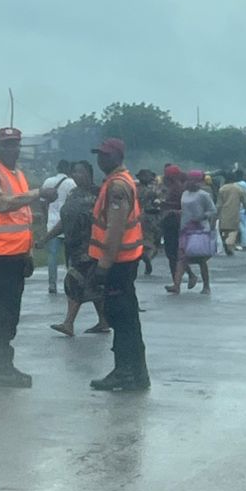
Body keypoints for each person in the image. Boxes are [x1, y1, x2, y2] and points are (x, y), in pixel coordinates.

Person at [0, 128, 41, 388]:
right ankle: (1, 368)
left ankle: (6, 364)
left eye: (14, 145)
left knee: (12, 314)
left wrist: (29, 252)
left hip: (16, 255)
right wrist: (38, 194)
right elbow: (1, 205)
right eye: (6, 145)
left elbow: (23, 217)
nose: (10, 149)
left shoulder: (18, 175)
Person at [87, 138, 150, 391]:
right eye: (99, 154)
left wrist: (103, 265)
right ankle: (137, 373)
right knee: (129, 319)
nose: (100, 159)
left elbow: (114, 229)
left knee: (121, 319)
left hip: (118, 263)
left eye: (106, 155)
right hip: (126, 260)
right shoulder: (121, 180)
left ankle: (125, 372)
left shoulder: (117, 187)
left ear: (117, 157)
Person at [42, 160, 110, 337]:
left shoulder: (99, 194)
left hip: (92, 249)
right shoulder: (73, 194)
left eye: (80, 171)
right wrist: (45, 238)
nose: (76, 175)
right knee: (93, 285)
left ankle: (68, 323)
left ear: (89, 173)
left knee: (74, 282)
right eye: (74, 172)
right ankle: (103, 321)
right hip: (73, 247)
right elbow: (64, 221)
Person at [167, 170, 217, 295]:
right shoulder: (184, 194)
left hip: (199, 230)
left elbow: (212, 210)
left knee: (201, 259)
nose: (189, 183)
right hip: (185, 229)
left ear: (198, 182)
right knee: (182, 258)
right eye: (188, 180)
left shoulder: (203, 195)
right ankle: (176, 285)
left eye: (192, 180)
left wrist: (201, 217)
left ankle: (206, 286)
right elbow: (185, 210)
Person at [40, 160, 76, 295]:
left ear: (57, 168)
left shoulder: (48, 182)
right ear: (68, 169)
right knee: (70, 256)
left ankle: (52, 285)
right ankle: (72, 283)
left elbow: (42, 203)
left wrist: (46, 219)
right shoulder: (71, 183)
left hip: (52, 223)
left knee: (52, 255)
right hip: (67, 224)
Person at [159, 164, 195, 286]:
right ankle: (180, 280)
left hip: (174, 223)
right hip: (172, 222)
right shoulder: (176, 188)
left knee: (173, 254)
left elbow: (183, 207)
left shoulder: (177, 189)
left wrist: (165, 205)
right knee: (174, 254)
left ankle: (179, 281)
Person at [217, 175, 246, 256]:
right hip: (235, 213)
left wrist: (217, 214)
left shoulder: (222, 189)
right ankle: (230, 246)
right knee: (233, 231)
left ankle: (226, 245)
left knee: (224, 231)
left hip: (223, 213)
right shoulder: (239, 189)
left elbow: (219, 204)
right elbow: (245, 202)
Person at [136, 169, 160, 275]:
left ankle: (140, 256)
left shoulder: (134, 189)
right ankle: (147, 257)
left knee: (139, 241)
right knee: (151, 241)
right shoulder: (150, 192)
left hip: (136, 217)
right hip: (148, 218)